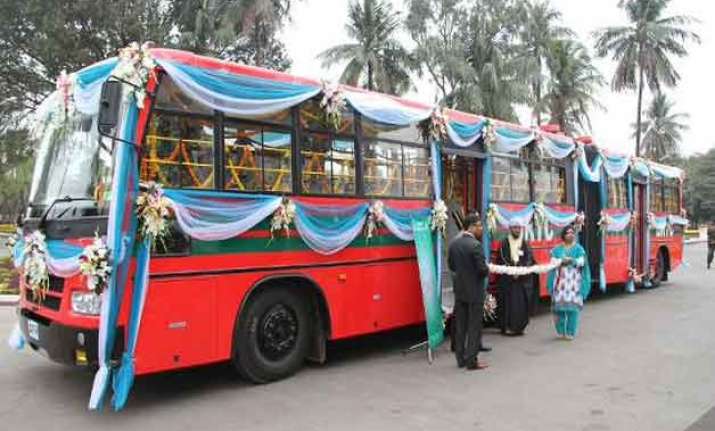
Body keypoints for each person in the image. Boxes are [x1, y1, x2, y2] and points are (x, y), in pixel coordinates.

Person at [447, 213, 490, 370]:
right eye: (479, 225)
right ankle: (472, 361)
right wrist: (486, 269)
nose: (481, 228)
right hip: (475, 293)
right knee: (474, 327)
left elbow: (452, 266)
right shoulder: (475, 245)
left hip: (460, 291)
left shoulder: (454, 244)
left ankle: (461, 359)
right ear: (471, 226)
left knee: (461, 326)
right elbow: (482, 270)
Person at [547, 224, 591, 340]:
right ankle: (561, 331)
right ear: (563, 235)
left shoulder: (578, 249)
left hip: (574, 285)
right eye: (568, 233)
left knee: (573, 309)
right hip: (560, 284)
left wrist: (572, 260)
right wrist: (561, 260)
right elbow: (552, 261)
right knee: (558, 309)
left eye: (572, 233)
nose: (570, 235)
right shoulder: (557, 249)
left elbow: (582, 261)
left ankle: (570, 332)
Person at [497, 222, 534, 336]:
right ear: (510, 229)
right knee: (507, 303)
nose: (517, 230)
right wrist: (511, 271)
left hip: (521, 279)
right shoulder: (504, 242)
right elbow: (502, 258)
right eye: (515, 228)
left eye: (518, 227)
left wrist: (520, 271)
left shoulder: (525, 243)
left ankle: (519, 327)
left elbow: (529, 258)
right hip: (508, 279)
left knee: (520, 304)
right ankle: (507, 327)